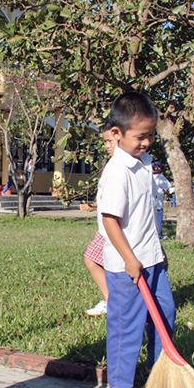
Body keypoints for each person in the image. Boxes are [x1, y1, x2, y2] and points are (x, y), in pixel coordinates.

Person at [96, 91, 176, 388]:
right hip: (125, 264)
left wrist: (157, 249)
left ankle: (156, 372)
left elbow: (145, 214)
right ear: (117, 134)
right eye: (140, 137)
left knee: (164, 315)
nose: (146, 142)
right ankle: (119, 385)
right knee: (126, 323)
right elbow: (110, 221)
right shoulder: (116, 172)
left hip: (151, 258)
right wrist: (130, 258)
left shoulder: (143, 163)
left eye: (150, 136)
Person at [82, 125, 117, 316]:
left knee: (91, 259)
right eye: (105, 141)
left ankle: (111, 300)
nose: (106, 146)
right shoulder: (112, 165)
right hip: (106, 228)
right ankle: (111, 299)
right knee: (93, 259)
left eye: (110, 141)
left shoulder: (122, 166)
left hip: (114, 228)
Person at [152, 163, 172, 238]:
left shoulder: (146, 175)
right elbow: (167, 187)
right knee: (158, 217)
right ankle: (159, 234)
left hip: (148, 200)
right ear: (157, 167)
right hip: (158, 200)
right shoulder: (160, 177)